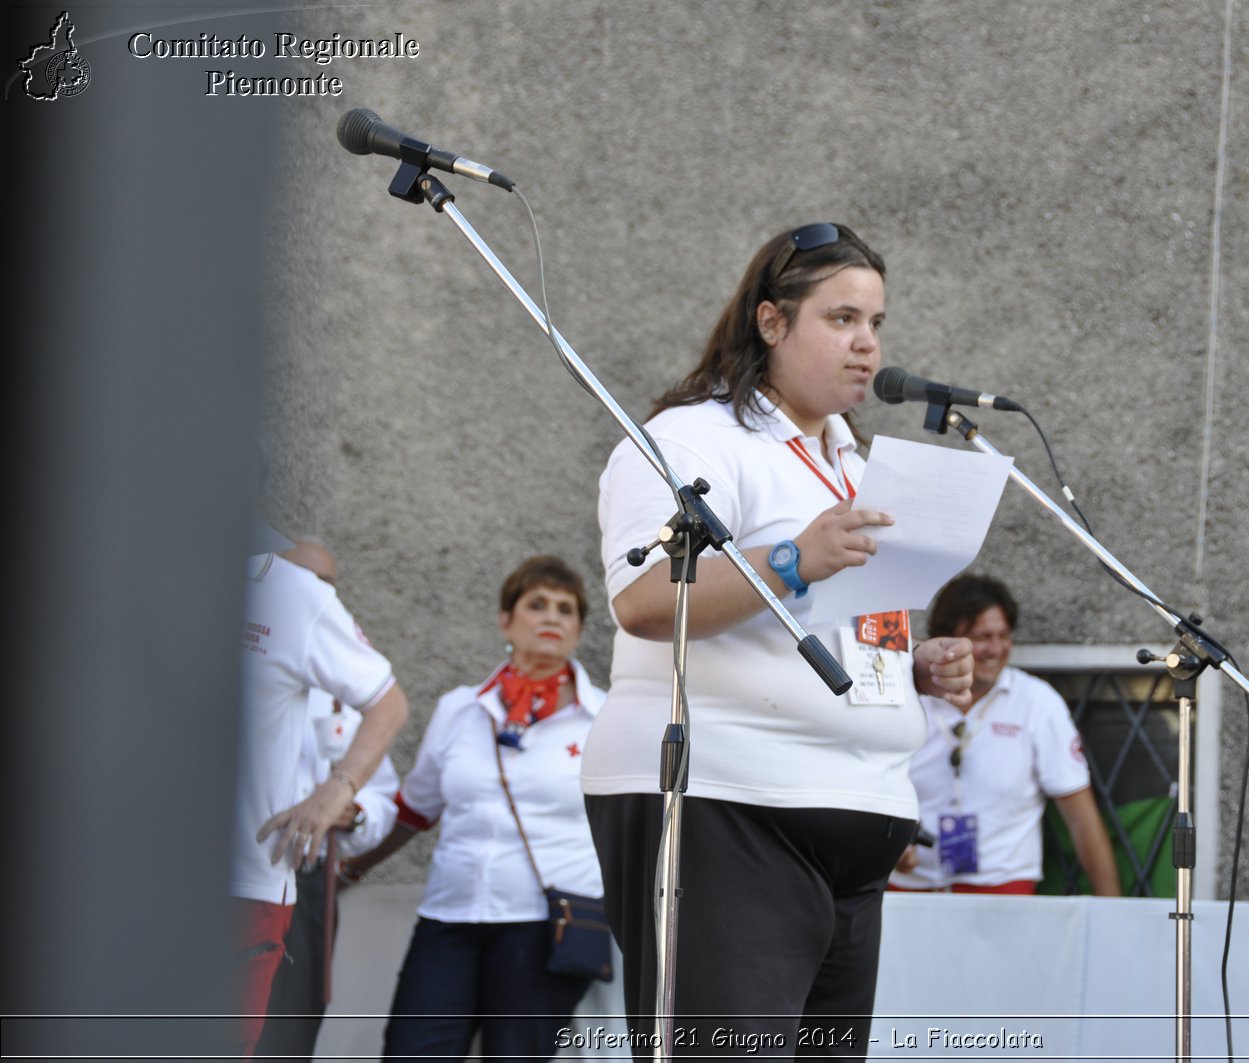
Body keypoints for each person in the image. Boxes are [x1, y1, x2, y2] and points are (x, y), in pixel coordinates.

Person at [586, 222, 976, 1059]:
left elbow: (817, 627)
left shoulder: (851, 459)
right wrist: (795, 556)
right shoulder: (694, 438)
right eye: (841, 319)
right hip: (729, 808)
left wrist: (911, 667)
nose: (867, 344)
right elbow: (646, 599)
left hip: (854, 820)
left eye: (876, 323)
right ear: (771, 322)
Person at [343, 555, 607, 1063]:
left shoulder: (603, 717)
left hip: (546, 925)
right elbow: (417, 808)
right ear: (505, 621)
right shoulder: (460, 708)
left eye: (566, 609)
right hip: (450, 916)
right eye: (537, 604)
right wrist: (353, 868)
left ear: (578, 629)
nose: (552, 617)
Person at [236, 526, 409, 1059]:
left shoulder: (299, 612)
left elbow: (385, 792)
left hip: (282, 870)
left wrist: (341, 802)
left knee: (283, 1034)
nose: (319, 592)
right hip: (158, 874)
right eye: (310, 577)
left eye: (327, 583)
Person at [890, 575, 1120, 896]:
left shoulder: (1037, 702)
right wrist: (886, 846)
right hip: (907, 888)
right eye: (982, 637)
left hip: (1002, 892)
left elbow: (1081, 817)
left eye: (1003, 636)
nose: (995, 649)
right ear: (946, 639)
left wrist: (1110, 907)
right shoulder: (906, 694)